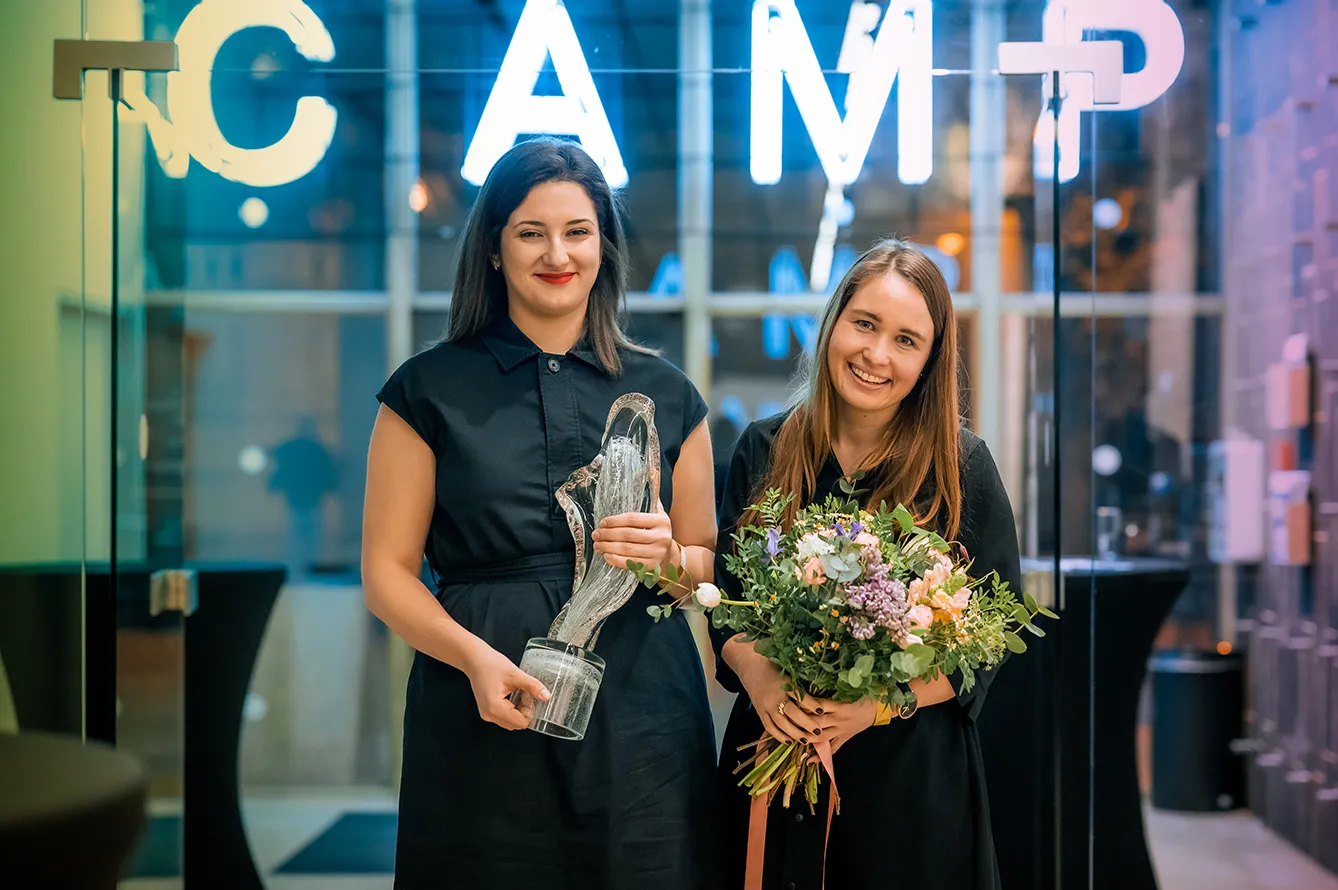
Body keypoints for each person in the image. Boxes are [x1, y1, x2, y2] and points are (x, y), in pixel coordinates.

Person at [361, 138, 720, 889]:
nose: (557, 254)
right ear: (494, 250)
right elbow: (386, 574)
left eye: (577, 231)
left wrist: (669, 561)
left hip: (644, 721)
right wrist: (474, 659)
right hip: (480, 709)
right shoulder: (425, 390)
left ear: (604, 245)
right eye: (531, 232)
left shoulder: (669, 393)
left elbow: (706, 565)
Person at [711, 239, 1022, 890]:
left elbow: (991, 639)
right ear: (834, 324)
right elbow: (727, 606)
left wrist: (876, 705)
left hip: (907, 781)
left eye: (906, 340)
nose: (876, 354)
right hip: (777, 754)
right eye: (865, 324)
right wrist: (761, 678)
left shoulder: (960, 468)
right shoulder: (764, 449)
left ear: (931, 359)